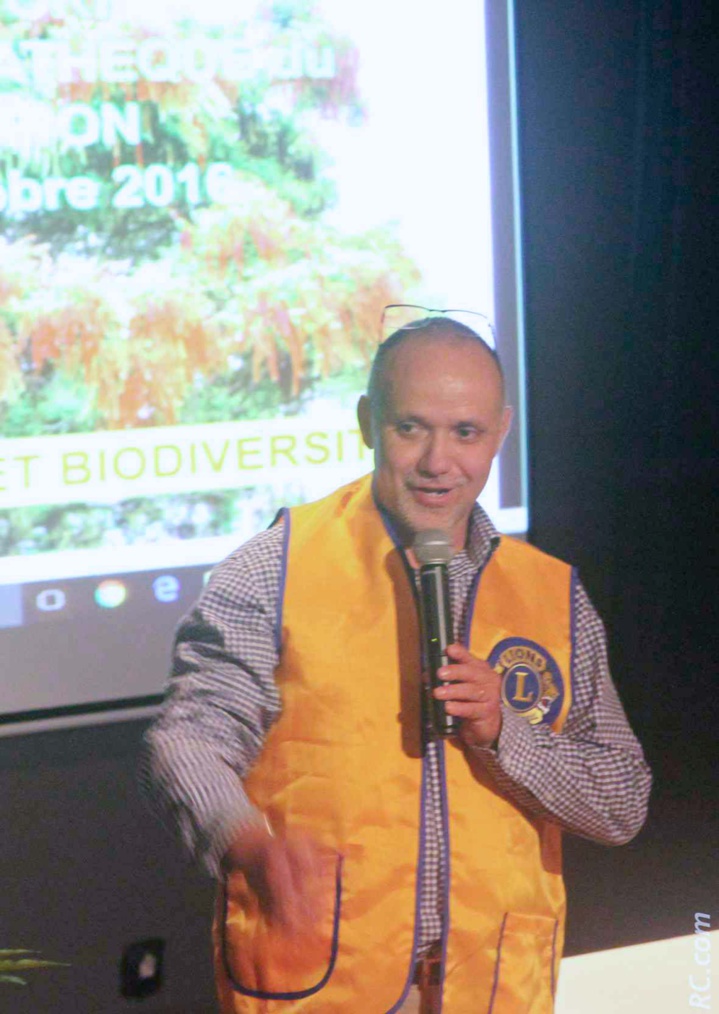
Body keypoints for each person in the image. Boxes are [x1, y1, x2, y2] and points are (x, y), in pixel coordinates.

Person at [142, 314, 651, 1014]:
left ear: (500, 432)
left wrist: (506, 734)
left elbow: (621, 799)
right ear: (366, 422)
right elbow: (189, 738)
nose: (439, 461)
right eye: (411, 428)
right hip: (322, 982)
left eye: (466, 433)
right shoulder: (276, 568)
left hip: (494, 984)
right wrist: (245, 842)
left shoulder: (551, 595)